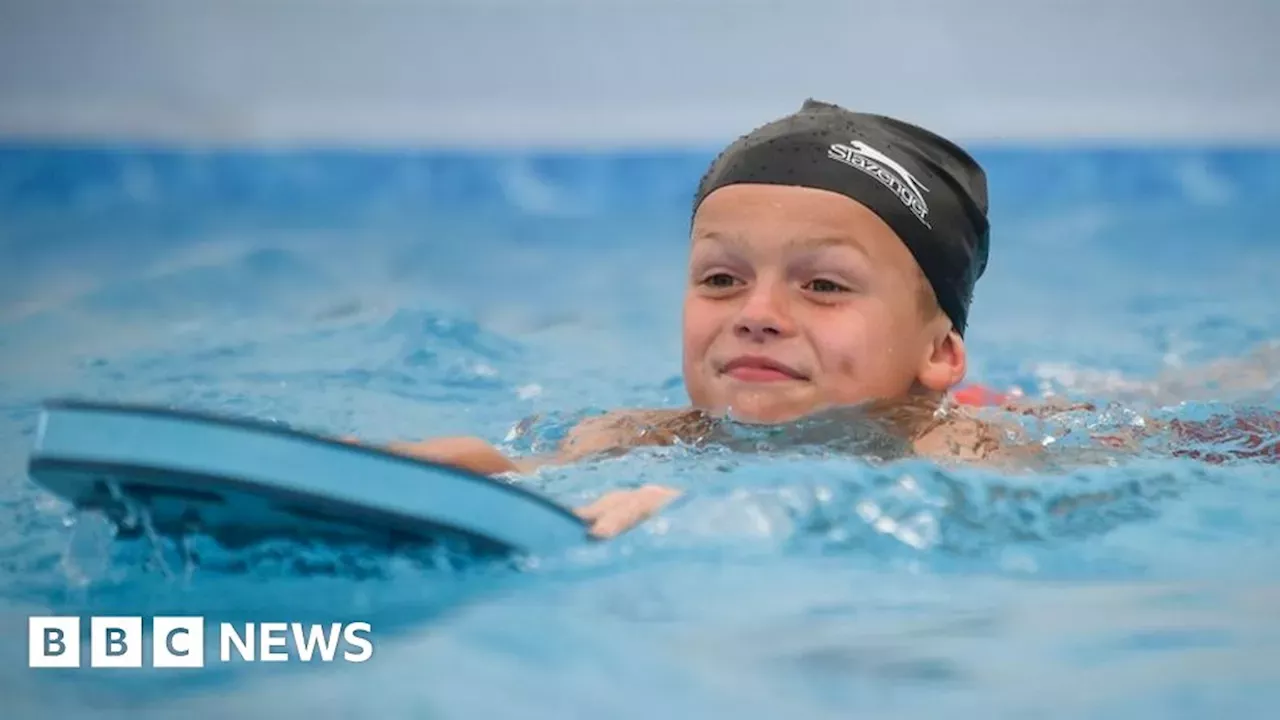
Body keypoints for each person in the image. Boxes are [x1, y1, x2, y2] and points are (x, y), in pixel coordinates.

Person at [353, 99, 1277, 539]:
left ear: (939, 352)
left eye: (823, 287)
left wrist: (714, 512)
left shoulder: (961, 452)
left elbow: (958, 516)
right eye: (721, 279)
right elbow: (524, 468)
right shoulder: (649, 434)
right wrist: (426, 470)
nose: (756, 316)